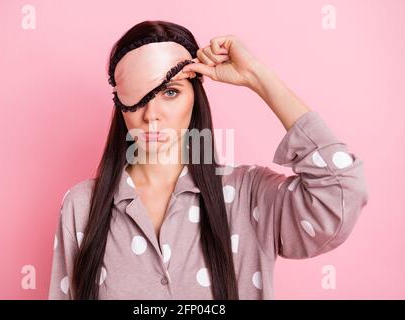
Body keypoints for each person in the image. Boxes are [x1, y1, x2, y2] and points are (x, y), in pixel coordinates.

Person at [48, 20, 369, 300]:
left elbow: (340, 192)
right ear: (120, 105)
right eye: (139, 99)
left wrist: (256, 76)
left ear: (194, 96)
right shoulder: (82, 207)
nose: (152, 115)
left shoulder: (249, 195)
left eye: (170, 92)